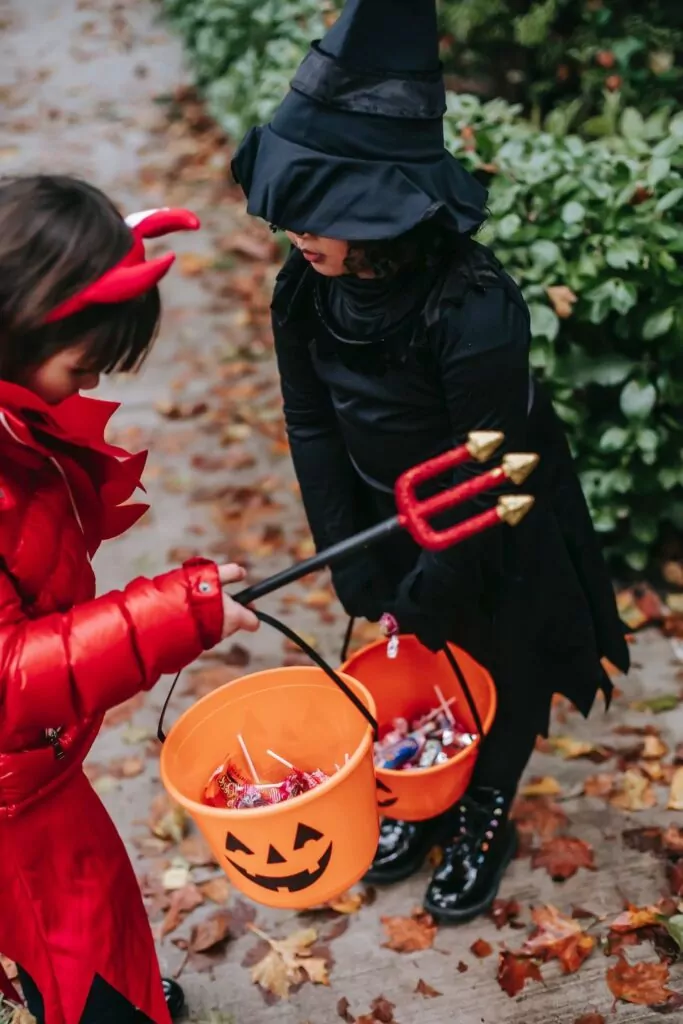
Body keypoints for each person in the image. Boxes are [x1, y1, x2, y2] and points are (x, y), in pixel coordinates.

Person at [231, 0, 629, 922]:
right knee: (412, 657)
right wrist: (348, 553)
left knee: (499, 655)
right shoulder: (305, 284)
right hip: (384, 507)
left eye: (319, 212)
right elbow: (311, 421)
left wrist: (433, 581)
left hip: (492, 511)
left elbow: (486, 471)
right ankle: (429, 787)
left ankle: (487, 800)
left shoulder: (474, 306)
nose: (296, 232)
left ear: (380, 209)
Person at [0, 174, 259, 1023]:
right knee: (72, 932)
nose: (86, 390)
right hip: (13, 796)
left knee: (69, 932)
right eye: (82, 366)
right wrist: (176, 614)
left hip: (26, 773)